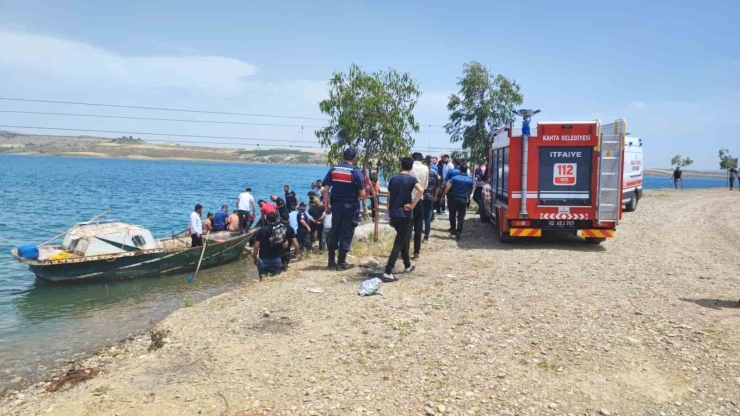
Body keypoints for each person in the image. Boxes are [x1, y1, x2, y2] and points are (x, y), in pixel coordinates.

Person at [382, 157, 424, 282]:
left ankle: (407, 265)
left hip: (394, 214)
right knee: (400, 241)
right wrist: (412, 205)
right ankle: (388, 271)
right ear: (410, 167)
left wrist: (389, 214)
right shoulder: (411, 179)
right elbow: (421, 190)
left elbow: (389, 197)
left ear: (400, 165)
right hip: (405, 214)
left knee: (404, 238)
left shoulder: (393, 178)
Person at [322, 148, 365, 270]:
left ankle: (331, 261)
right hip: (350, 207)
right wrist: (362, 196)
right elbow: (362, 193)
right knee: (346, 232)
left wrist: (326, 207)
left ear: (343, 156)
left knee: (334, 230)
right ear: (354, 158)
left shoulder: (333, 170)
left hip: (336, 206)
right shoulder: (356, 172)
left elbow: (325, 190)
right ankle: (341, 262)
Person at [252, 212, 288, 280]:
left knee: (263, 280)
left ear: (267, 220)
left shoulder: (261, 231)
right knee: (276, 279)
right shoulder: (279, 230)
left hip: (263, 259)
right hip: (276, 258)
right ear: (276, 219)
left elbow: (256, 246)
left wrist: (254, 257)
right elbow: (285, 245)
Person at [442, 165, 474, 241]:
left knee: (452, 214)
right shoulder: (469, 180)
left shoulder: (454, 178)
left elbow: (448, 187)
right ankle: (459, 232)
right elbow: (470, 190)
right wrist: (468, 196)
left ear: (460, 170)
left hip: (453, 198)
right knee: (461, 217)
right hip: (463, 199)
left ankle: (453, 229)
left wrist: (443, 195)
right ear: (466, 171)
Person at [409, 152, 429, 260]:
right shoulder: (425, 168)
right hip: (419, 199)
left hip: (408, 199)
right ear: (422, 159)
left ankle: (405, 250)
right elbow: (425, 185)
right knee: (418, 226)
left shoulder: (409, 167)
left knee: (408, 226)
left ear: (412, 158)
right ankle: (416, 252)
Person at [423, 155, 441, 241]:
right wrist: (435, 196)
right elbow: (438, 186)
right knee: (427, 217)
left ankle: (417, 233)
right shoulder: (434, 174)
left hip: (419, 197)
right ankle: (426, 235)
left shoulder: (422, 173)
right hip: (429, 197)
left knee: (418, 217)